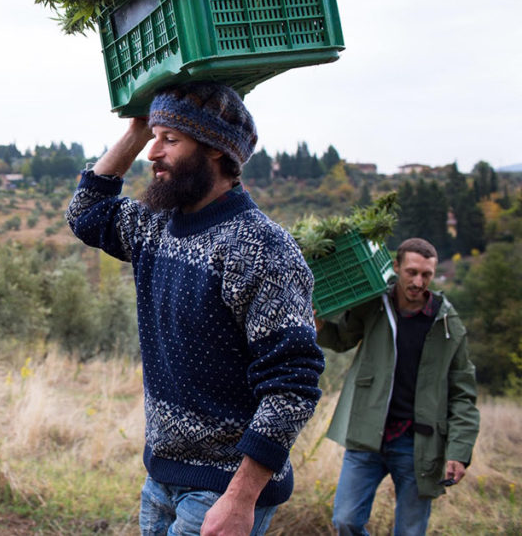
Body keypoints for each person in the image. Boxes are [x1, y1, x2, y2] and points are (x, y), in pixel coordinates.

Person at [66, 82, 325, 536]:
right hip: (162, 478)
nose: (153, 153)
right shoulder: (156, 226)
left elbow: (292, 387)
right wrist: (137, 130)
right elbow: (86, 213)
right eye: (155, 138)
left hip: (222, 489)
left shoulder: (262, 249)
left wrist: (241, 498)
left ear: (214, 152)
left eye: (170, 140)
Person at [316, 237, 479, 536]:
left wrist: (459, 450)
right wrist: (321, 328)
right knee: (346, 520)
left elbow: (463, 392)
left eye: (426, 274)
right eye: (412, 272)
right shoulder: (374, 304)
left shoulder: (447, 323)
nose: (419, 281)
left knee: (410, 532)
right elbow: (342, 340)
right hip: (367, 433)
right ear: (396, 267)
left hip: (419, 443)